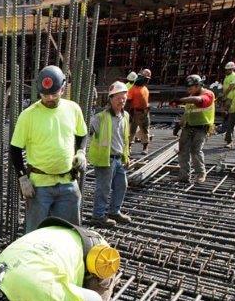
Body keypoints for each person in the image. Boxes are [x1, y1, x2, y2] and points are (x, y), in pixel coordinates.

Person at [10, 65, 87, 232]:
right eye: (45, 95)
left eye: (54, 94)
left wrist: (81, 151)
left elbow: (82, 134)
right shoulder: (28, 115)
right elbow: (14, 149)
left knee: (70, 232)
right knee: (35, 233)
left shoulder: (73, 109)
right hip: (39, 186)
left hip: (68, 182)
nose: (50, 98)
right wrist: (22, 178)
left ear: (63, 88)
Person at [88, 82, 132, 228]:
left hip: (119, 159)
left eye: (124, 98)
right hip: (105, 160)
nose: (122, 100)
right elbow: (86, 131)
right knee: (103, 189)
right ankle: (98, 216)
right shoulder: (100, 117)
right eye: (119, 98)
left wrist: (127, 156)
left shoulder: (125, 116)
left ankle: (114, 211)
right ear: (111, 99)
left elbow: (125, 138)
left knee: (121, 185)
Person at [170, 75, 216, 183]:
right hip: (188, 127)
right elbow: (187, 113)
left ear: (198, 85)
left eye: (190, 88)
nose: (188, 90)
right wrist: (179, 125)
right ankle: (184, 176)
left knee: (196, 151)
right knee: (182, 151)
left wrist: (180, 100)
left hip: (201, 128)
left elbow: (199, 100)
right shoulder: (191, 96)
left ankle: (200, 174)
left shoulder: (208, 94)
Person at [126, 68, 151, 153]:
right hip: (134, 112)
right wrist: (128, 113)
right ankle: (128, 148)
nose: (147, 81)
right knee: (131, 131)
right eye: (146, 79)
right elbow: (128, 102)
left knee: (145, 130)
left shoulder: (145, 89)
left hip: (144, 112)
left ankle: (145, 147)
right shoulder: (133, 89)